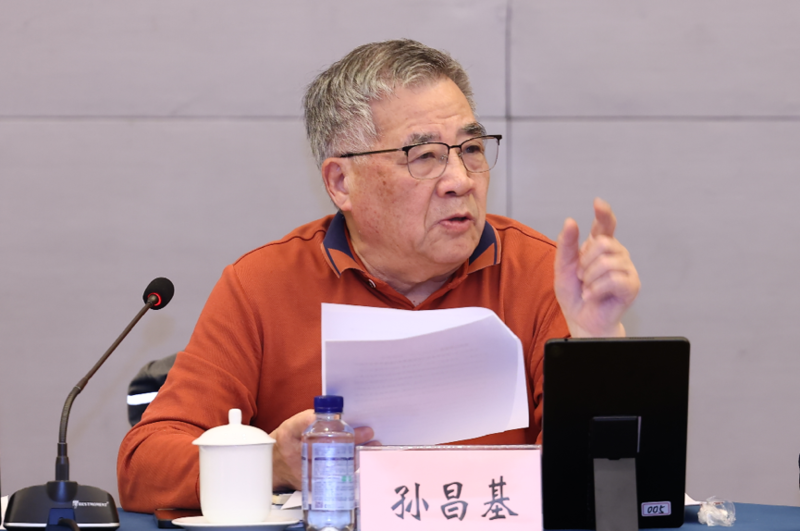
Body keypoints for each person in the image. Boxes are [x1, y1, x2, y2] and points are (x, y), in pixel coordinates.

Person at [116, 39, 640, 512]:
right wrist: (271, 463)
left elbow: (604, 484)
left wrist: (597, 344)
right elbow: (144, 467)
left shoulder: (543, 275)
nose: (461, 180)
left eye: (472, 149)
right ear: (341, 182)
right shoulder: (262, 285)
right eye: (425, 156)